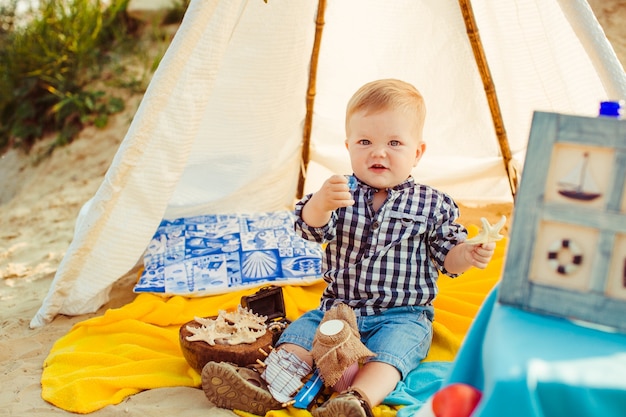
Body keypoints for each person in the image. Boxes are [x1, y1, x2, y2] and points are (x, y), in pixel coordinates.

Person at [201, 79, 497, 417]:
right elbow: (307, 228)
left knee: (392, 354)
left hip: (402, 314)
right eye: (365, 141)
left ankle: (355, 400)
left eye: (394, 142)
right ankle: (263, 386)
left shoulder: (433, 205)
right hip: (340, 309)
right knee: (300, 335)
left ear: (417, 152)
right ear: (348, 146)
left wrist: (468, 255)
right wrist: (320, 205)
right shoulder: (339, 192)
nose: (378, 152)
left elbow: (449, 260)